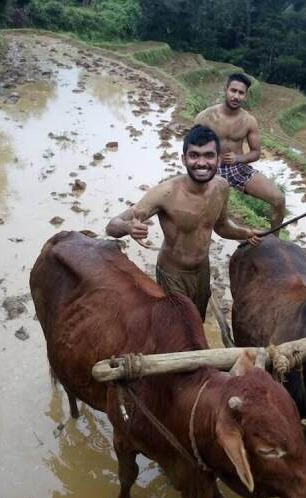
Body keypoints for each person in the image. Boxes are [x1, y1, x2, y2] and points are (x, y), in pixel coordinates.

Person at [106, 125, 263, 321]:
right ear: (183, 159)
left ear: (218, 159)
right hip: (173, 275)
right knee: (176, 326)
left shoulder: (221, 187)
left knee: (198, 320)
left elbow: (222, 226)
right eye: (194, 155)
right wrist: (128, 227)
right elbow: (112, 226)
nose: (201, 162)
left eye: (208, 155)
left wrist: (246, 233)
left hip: (202, 270)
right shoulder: (166, 193)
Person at [194, 73, 286, 234]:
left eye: (241, 93)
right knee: (205, 213)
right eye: (233, 90)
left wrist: (238, 158)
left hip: (238, 168)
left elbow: (256, 153)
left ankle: (274, 239)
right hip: (212, 169)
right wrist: (209, 160)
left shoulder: (249, 121)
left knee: (279, 199)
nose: (236, 96)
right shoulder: (206, 117)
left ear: (245, 95)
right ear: (226, 90)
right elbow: (192, 148)